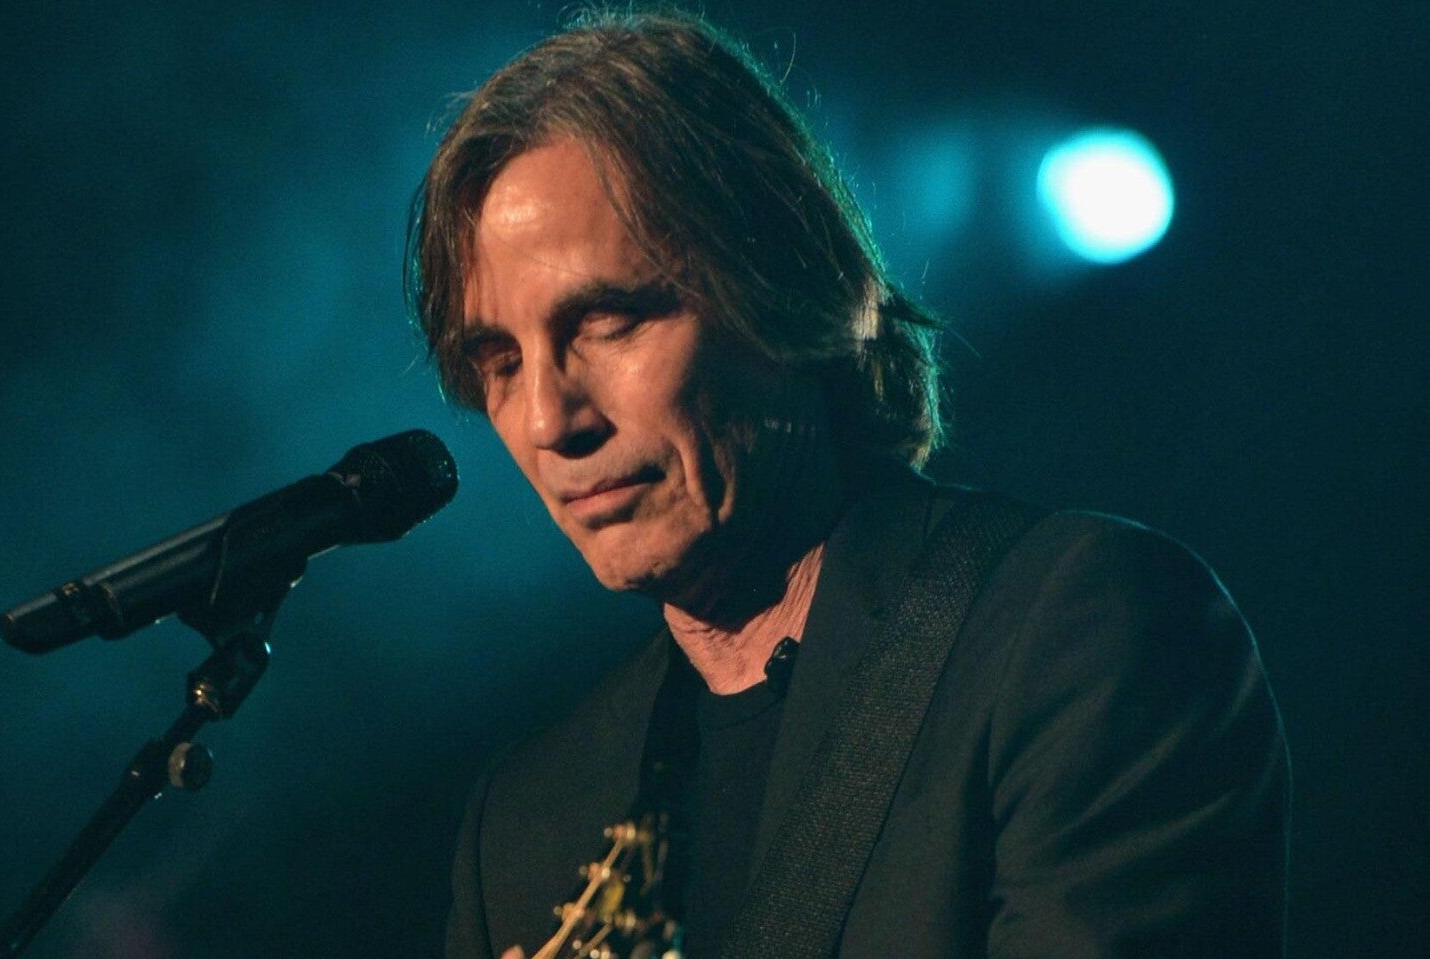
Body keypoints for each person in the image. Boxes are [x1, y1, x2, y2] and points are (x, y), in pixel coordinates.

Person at [408, 9, 1288, 959]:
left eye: (607, 320)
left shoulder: (1077, 632)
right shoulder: (524, 826)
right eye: (500, 361)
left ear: (784, 289)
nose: (549, 421)